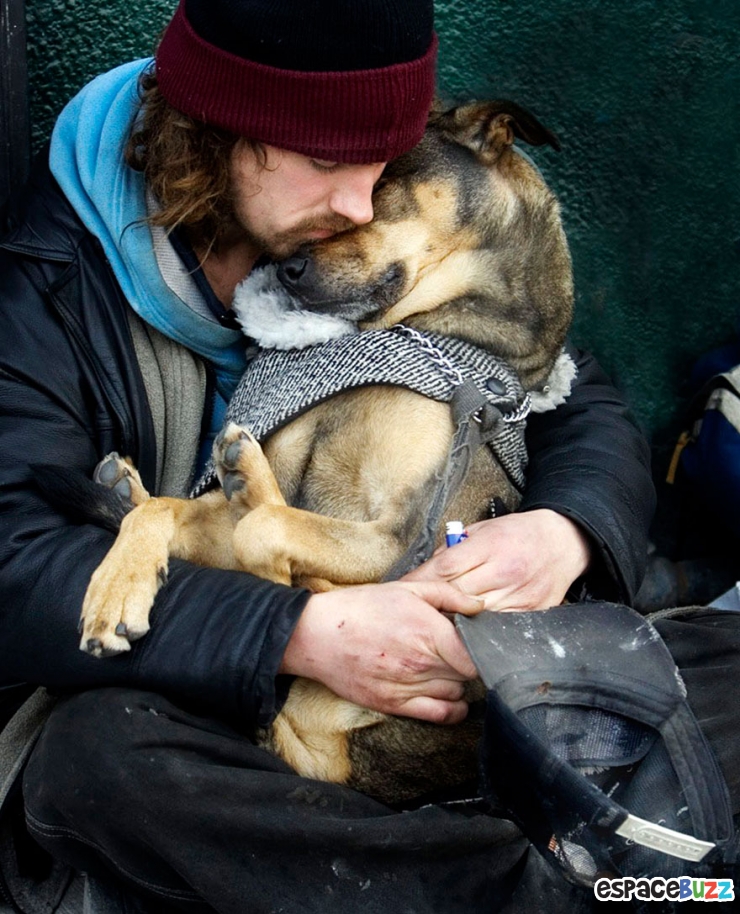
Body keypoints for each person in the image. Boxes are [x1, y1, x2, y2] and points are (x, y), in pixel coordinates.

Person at [0, 1, 657, 911]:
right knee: (93, 762)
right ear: (219, 132)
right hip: (196, 688)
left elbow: (576, 391)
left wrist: (568, 531)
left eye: (383, 171)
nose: (358, 201)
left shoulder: (358, 231)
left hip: (435, 684)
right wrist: (299, 638)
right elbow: (13, 568)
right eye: (324, 163)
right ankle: (542, 888)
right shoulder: (44, 292)